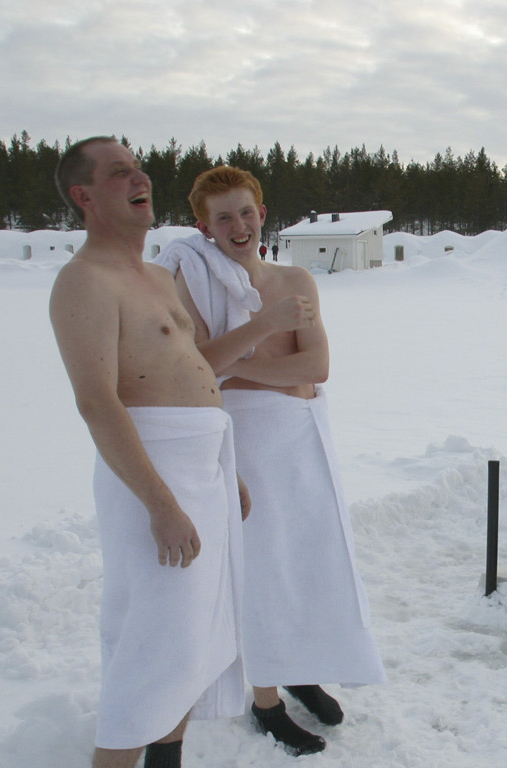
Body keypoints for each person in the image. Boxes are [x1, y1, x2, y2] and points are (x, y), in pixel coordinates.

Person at [156, 166, 385, 755]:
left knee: (308, 557)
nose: (238, 225)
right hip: (247, 441)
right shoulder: (196, 279)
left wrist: (239, 361)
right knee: (261, 569)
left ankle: (298, 663)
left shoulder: (296, 279)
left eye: (246, 211)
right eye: (223, 217)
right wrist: (259, 335)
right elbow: (198, 364)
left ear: (262, 211)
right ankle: (266, 702)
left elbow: (315, 368)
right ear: (203, 226)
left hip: (302, 436)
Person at [48, 137, 250, 768]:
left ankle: (168, 759)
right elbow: (97, 402)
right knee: (151, 642)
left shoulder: (159, 276)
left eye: (138, 167)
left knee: (191, 639)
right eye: (118, 173)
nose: (140, 178)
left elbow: (189, 369)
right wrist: (160, 504)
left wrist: (224, 470)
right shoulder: (84, 282)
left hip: (201, 467)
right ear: (85, 196)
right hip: (149, 476)